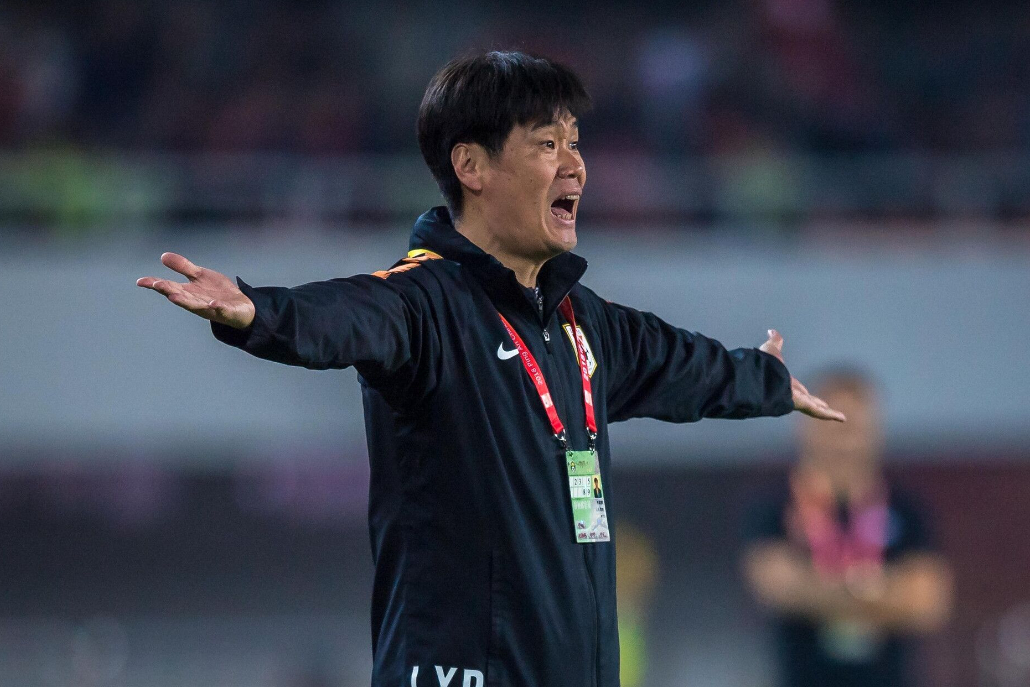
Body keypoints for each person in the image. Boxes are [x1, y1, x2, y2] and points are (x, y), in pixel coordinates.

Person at [138, 51, 844, 687]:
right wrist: (258, 311)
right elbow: (346, 313)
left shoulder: (582, 322)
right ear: (472, 167)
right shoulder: (424, 303)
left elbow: (679, 362)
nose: (575, 165)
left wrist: (765, 380)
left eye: (575, 142)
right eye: (547, 144)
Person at [742, 368, 953, 687]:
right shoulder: (774, 505)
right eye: (829, 422)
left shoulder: (907, 508)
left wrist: (819, 591)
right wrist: (880, 592)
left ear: (875, 429)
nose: (843, 439)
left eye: (853, 425)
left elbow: (926, 601)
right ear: (804, 425)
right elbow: (777, 587)